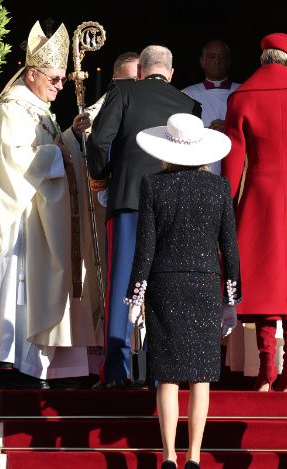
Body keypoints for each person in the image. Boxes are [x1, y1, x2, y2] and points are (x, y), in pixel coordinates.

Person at [0, 21, 103, 389]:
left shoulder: (37, 110)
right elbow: (17, 163)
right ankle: (8, 358)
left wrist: (72, 134)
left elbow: (52, 154)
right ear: (33, 74)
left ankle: (43, 364)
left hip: (41, 215)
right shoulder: (10, 111)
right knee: (20, 288)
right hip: (18, 220)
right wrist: (61, 149)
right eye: (55, 79)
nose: (60, 86)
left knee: (41, 286)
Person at [126, 113, 240, 469]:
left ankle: (169, 456)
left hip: (165, 283)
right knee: (201, 377)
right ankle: (194, 457)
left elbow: (145, 248)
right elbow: (230, 249)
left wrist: (135, 295)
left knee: (168, 375)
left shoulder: (154, 186)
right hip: (205, 285)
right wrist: (232, 297)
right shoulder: (219, 188)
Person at [87, 45, 201, 387]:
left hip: (129, 200)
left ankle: (117, 371)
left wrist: (103, 176)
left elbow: (98, 141)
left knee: (122, 282)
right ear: (172, 73)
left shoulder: (123, 90)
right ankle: (156, 371)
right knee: (164, 284)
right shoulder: (189, 105)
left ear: (140, 72)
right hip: (173, 203)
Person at [221, 32, 287, 392]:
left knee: (262, 279)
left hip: (260, 193)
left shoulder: (242, 95)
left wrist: (227, 205)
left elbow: (233, 164)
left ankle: (266, 368)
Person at [182, 39, 240, 175]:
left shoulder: (243, 91)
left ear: (229, 61)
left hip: (234, 160)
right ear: (202, 61)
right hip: (201, 165)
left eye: (222, 57)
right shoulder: (187, 94)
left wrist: (230, 126)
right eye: (212, 57)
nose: (217, 61)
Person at [86, 51, 140, 124]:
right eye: (133, 80)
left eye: (142, 80)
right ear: (115, 80)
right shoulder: (94, 115)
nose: (139, 85)